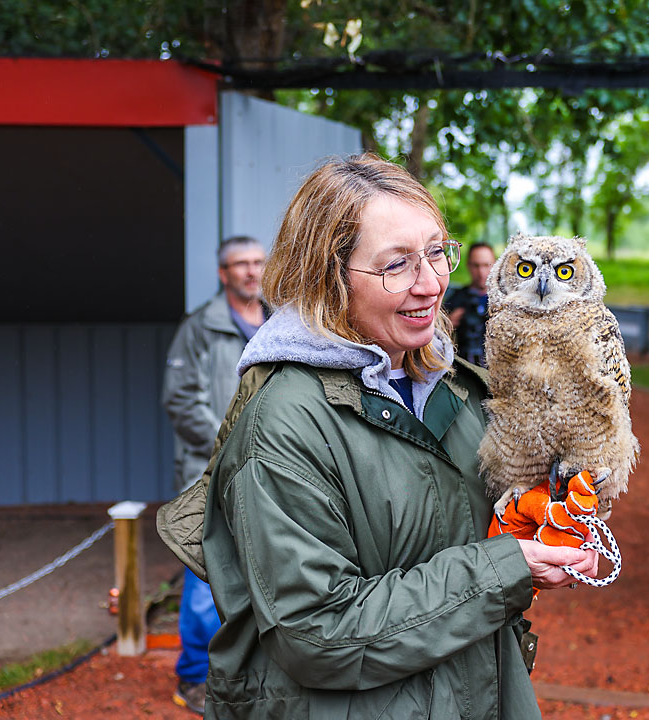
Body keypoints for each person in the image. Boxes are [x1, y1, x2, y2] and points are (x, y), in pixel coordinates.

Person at [197, 154, 598, 719]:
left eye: (437, 252)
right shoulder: (284, 422)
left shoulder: (455, 389)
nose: (432, 283)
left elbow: (489, 527)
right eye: (397, 265)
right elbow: (316, 633)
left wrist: (556, 505)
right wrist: (508, 568)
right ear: (330, 276)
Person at [162, 235, 267, 715]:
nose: (251, 271)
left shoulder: (279, 321)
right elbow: (181, 400)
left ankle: (247, 674)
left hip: (268, 468)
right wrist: (229, 449)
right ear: (223, 273)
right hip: (211, 469)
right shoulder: (200, 327)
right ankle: (193, 677)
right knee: (208, 574)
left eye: (257, 262)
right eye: (239, 264)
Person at [443, 241, 495, 365]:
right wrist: (447, 325)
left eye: (486, 265)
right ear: (468, 265)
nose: (481, 272)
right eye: (476, 266)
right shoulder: (456, 299)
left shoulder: (507, 300)